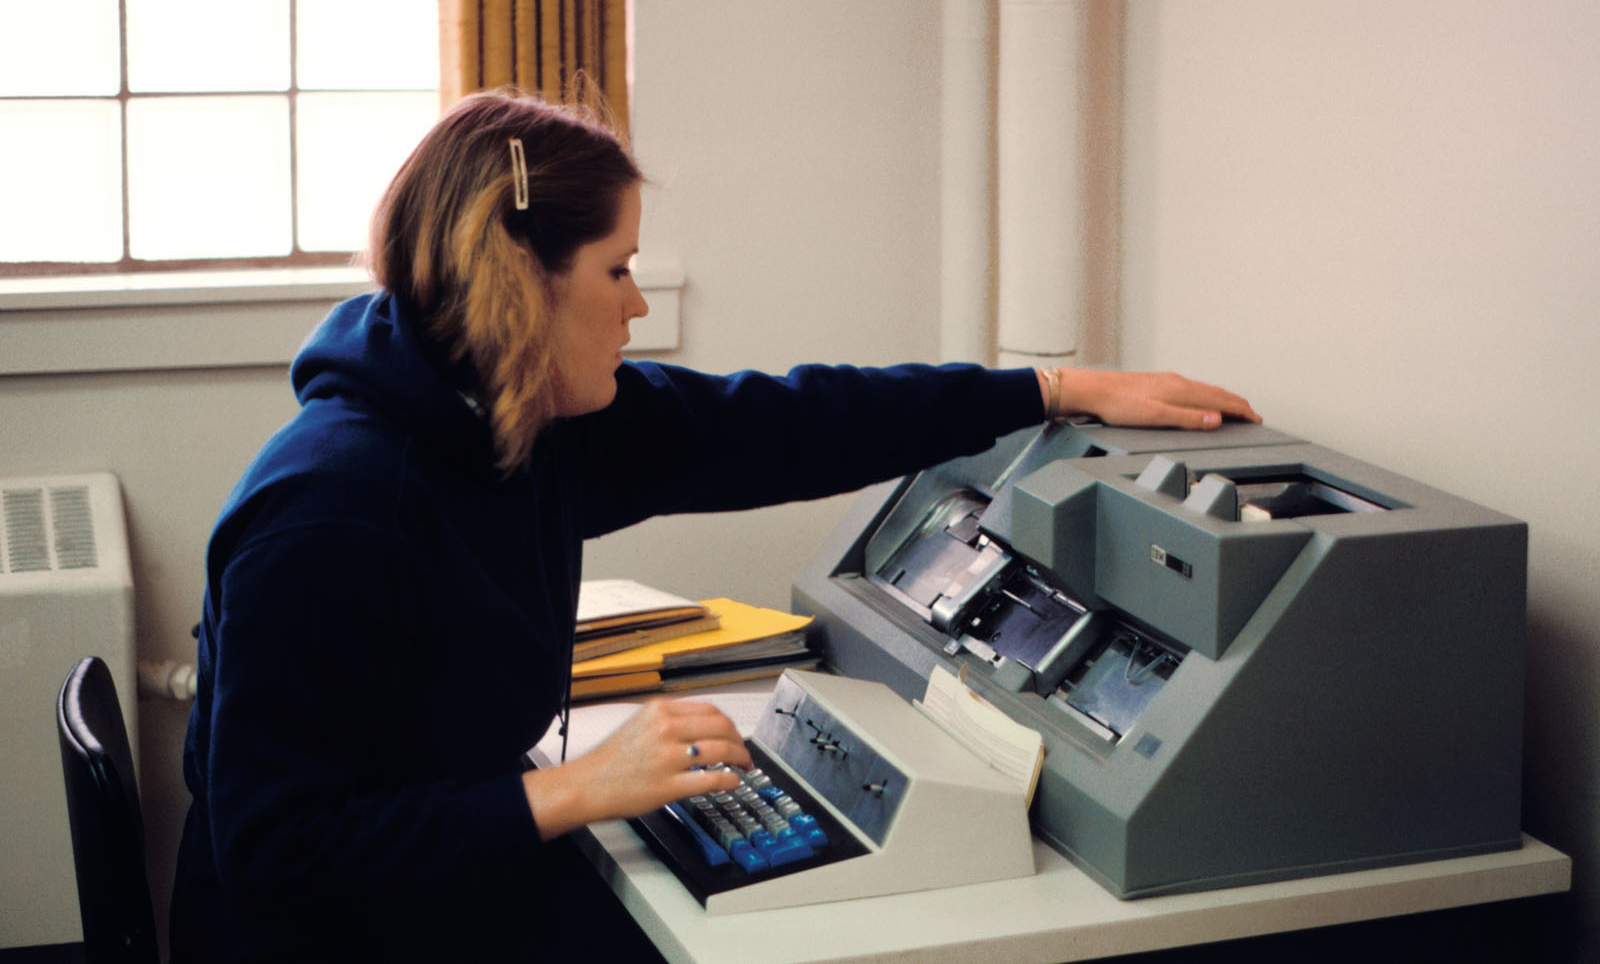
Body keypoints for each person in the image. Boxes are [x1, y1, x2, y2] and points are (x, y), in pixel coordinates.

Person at [169, 87, 1260, 962]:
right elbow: (279, 852)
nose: (638, 302)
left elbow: (786, 421)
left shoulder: (520, 419)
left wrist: (1052, 389)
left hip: (429, 887)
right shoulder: (328, 511)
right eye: (617, 267)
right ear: (521, 282)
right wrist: (568, 790)